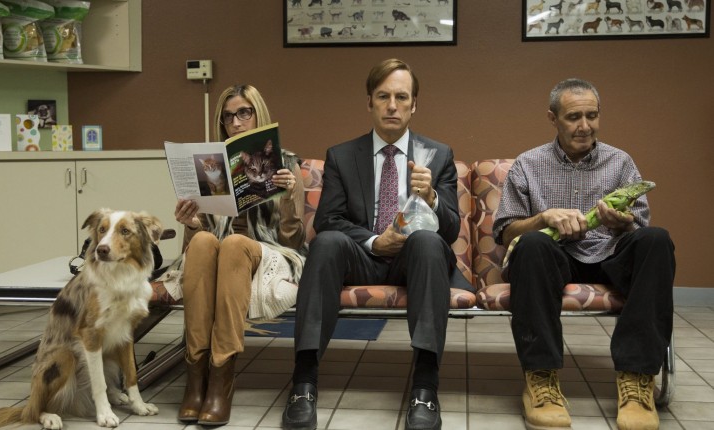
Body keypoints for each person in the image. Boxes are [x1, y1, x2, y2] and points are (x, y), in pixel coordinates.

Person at [282, 58, 470, 430]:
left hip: (414, 259)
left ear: (414, 105)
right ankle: (303, 383)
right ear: (369, 102)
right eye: (383, 96)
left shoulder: (438, 155)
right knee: (326, 243)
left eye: (402, 97)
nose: (392, 106)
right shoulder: (341, 155)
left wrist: (432, 197)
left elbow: (450, 230)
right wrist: (373, 241)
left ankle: (425, 388)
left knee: (428, 242)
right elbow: (328, 219)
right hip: (363, 255)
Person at [493, 78, 675, 430]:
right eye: (574, 117)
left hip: (610, 254)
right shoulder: (528, 164)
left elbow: (639, 226)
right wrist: (543, 218)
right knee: (531, 245)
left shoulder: (620, 162)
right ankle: (541, 379)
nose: (585, 126)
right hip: (554, 259)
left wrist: (623, 223)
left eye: (592, 115)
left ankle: (637, 380)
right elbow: (505, 232)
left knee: (656, 240)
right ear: (553, 118)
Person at [171, 84, 307, 426]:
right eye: (228, 116)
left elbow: (293, 241)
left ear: (258, 113)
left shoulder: (287, 164)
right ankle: (196, 378)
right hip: (219, 254)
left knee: (233, 244)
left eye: (244, 112)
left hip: (269, 254)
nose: (236, 122)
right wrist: (191, 223)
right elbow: (195, 247)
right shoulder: (211, 166)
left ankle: (221, 380)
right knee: (204, 241)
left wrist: (288, 197)